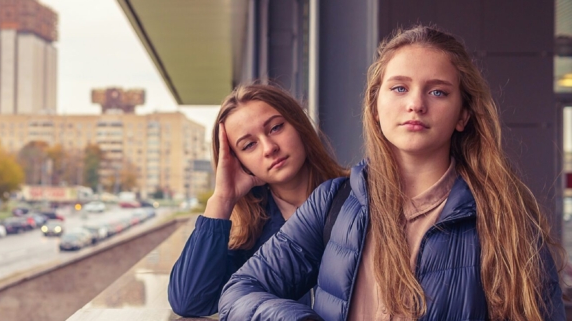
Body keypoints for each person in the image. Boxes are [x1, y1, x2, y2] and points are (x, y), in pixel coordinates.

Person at [219, 26, 565, 321]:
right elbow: (239, 291)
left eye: (438, 91)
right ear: (375, 108)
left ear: (462, 116)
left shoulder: (506, 218)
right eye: (399, 88)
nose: (415, 103)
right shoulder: (335, 202)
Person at [168, 84, 346, 317]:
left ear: (299, 125)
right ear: (239, 162)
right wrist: (222, 199)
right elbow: (189, 301)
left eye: (276, 128)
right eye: (249, 145)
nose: (269, 148)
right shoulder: (249, 237)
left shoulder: (356, 198)